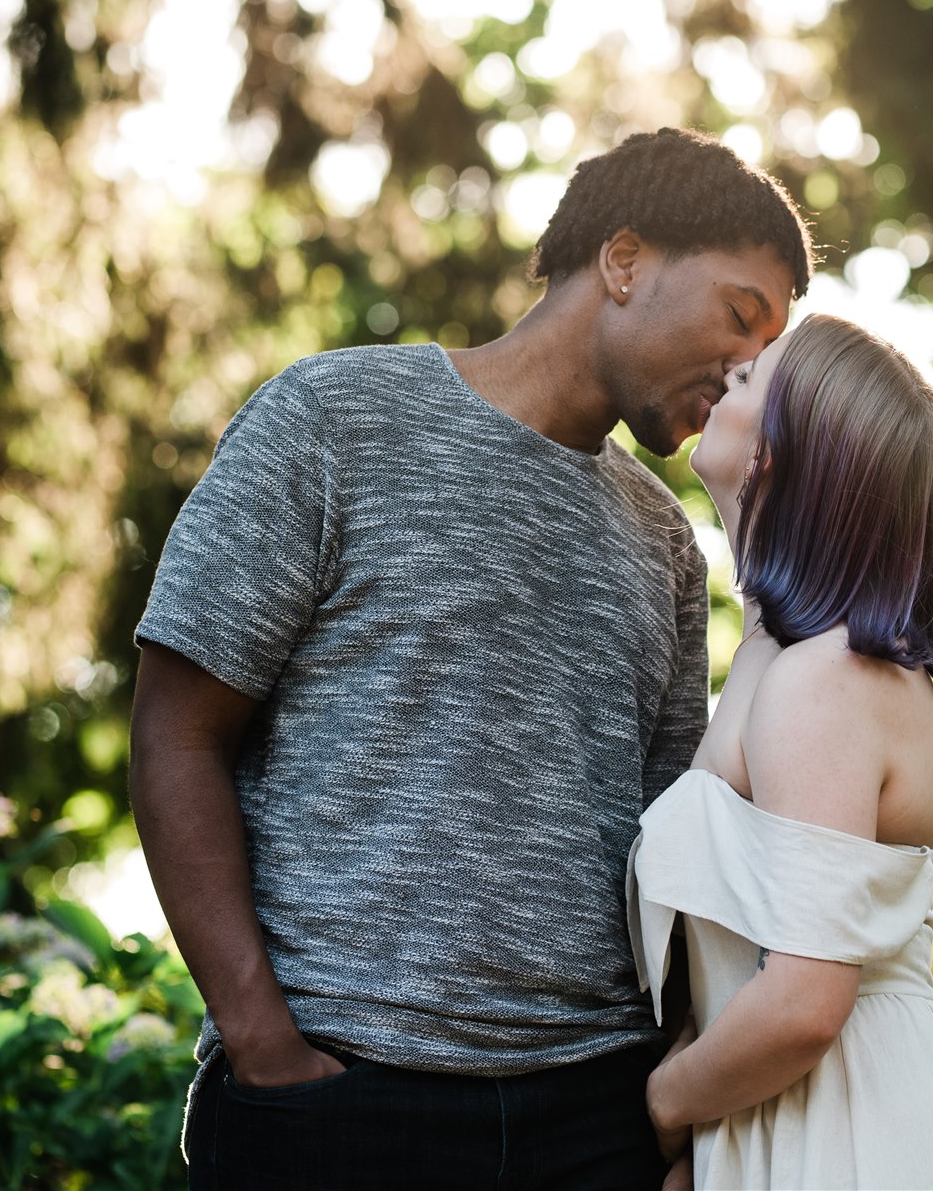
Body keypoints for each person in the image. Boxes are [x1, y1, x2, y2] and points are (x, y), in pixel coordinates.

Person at [128, 127, 812, 1190]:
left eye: (762, 353)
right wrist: (262, 1044)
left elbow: (665, 848)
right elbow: (175, 728)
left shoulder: (664, 539)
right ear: (623, 261)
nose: (744, 368)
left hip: (592, 1114)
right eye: (739, 316)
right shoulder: (330, 419)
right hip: (339, 1100)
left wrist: (673, 1113)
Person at [628, 313, 933, 1190]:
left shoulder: (828, 677)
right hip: (788, 1114)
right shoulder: (780, 659)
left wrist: (664, 1103)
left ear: (774, 454)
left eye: (746, 382)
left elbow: (805, 1003)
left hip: (855, 1129)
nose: (725, 375)